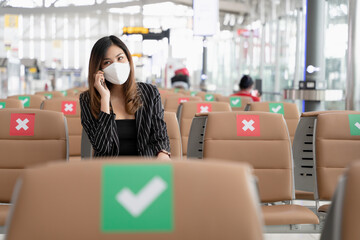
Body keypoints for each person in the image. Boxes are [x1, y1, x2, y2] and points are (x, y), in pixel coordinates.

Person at [80, 35, 171, 160]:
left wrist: (163, 155)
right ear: (99, 70)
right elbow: (102, 148)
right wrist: (105, 99)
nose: (116, 66)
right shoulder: (87, 100)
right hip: (109, 171)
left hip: (145, 169)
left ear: (128, 60)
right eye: (107, 62)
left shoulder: (150, 92)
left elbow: (159, 136)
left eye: (120, 58)